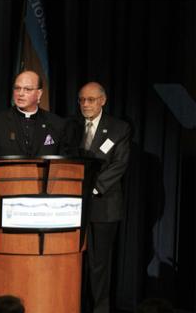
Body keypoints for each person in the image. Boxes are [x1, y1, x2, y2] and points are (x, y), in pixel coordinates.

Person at [73, 82, 131, 313]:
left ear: (102, 101)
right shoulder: (71, 125)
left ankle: (100, 309)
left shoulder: (119, 128)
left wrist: (93, 188)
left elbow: (119, 164)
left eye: (91, 100)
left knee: (99, 265)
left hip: (103, 204)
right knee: (74, 260)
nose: (85, 104)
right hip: (72, 204)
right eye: (82, 100)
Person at [0, 70, 65, 157]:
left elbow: (65, 163)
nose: (20, 93)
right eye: (17, 88)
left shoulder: (56, 124)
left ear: (39, 93)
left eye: (27, 89)